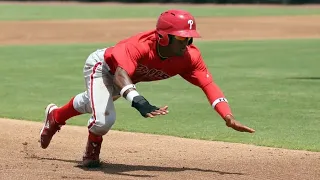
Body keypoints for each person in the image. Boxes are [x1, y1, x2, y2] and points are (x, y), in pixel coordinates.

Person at [39, 9, 255, 168]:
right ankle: (92, 148)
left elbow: (208, 84)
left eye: (189, 37)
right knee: (104, 118)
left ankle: (56, 115)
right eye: (180, 37)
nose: (186, 42)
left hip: (127, 78)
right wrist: (138, 101)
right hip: (103, 67)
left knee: (93, 103)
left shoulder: (189, 57)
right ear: (162, 36)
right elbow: (121, 74)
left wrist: (227, 115)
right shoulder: (138, 47)